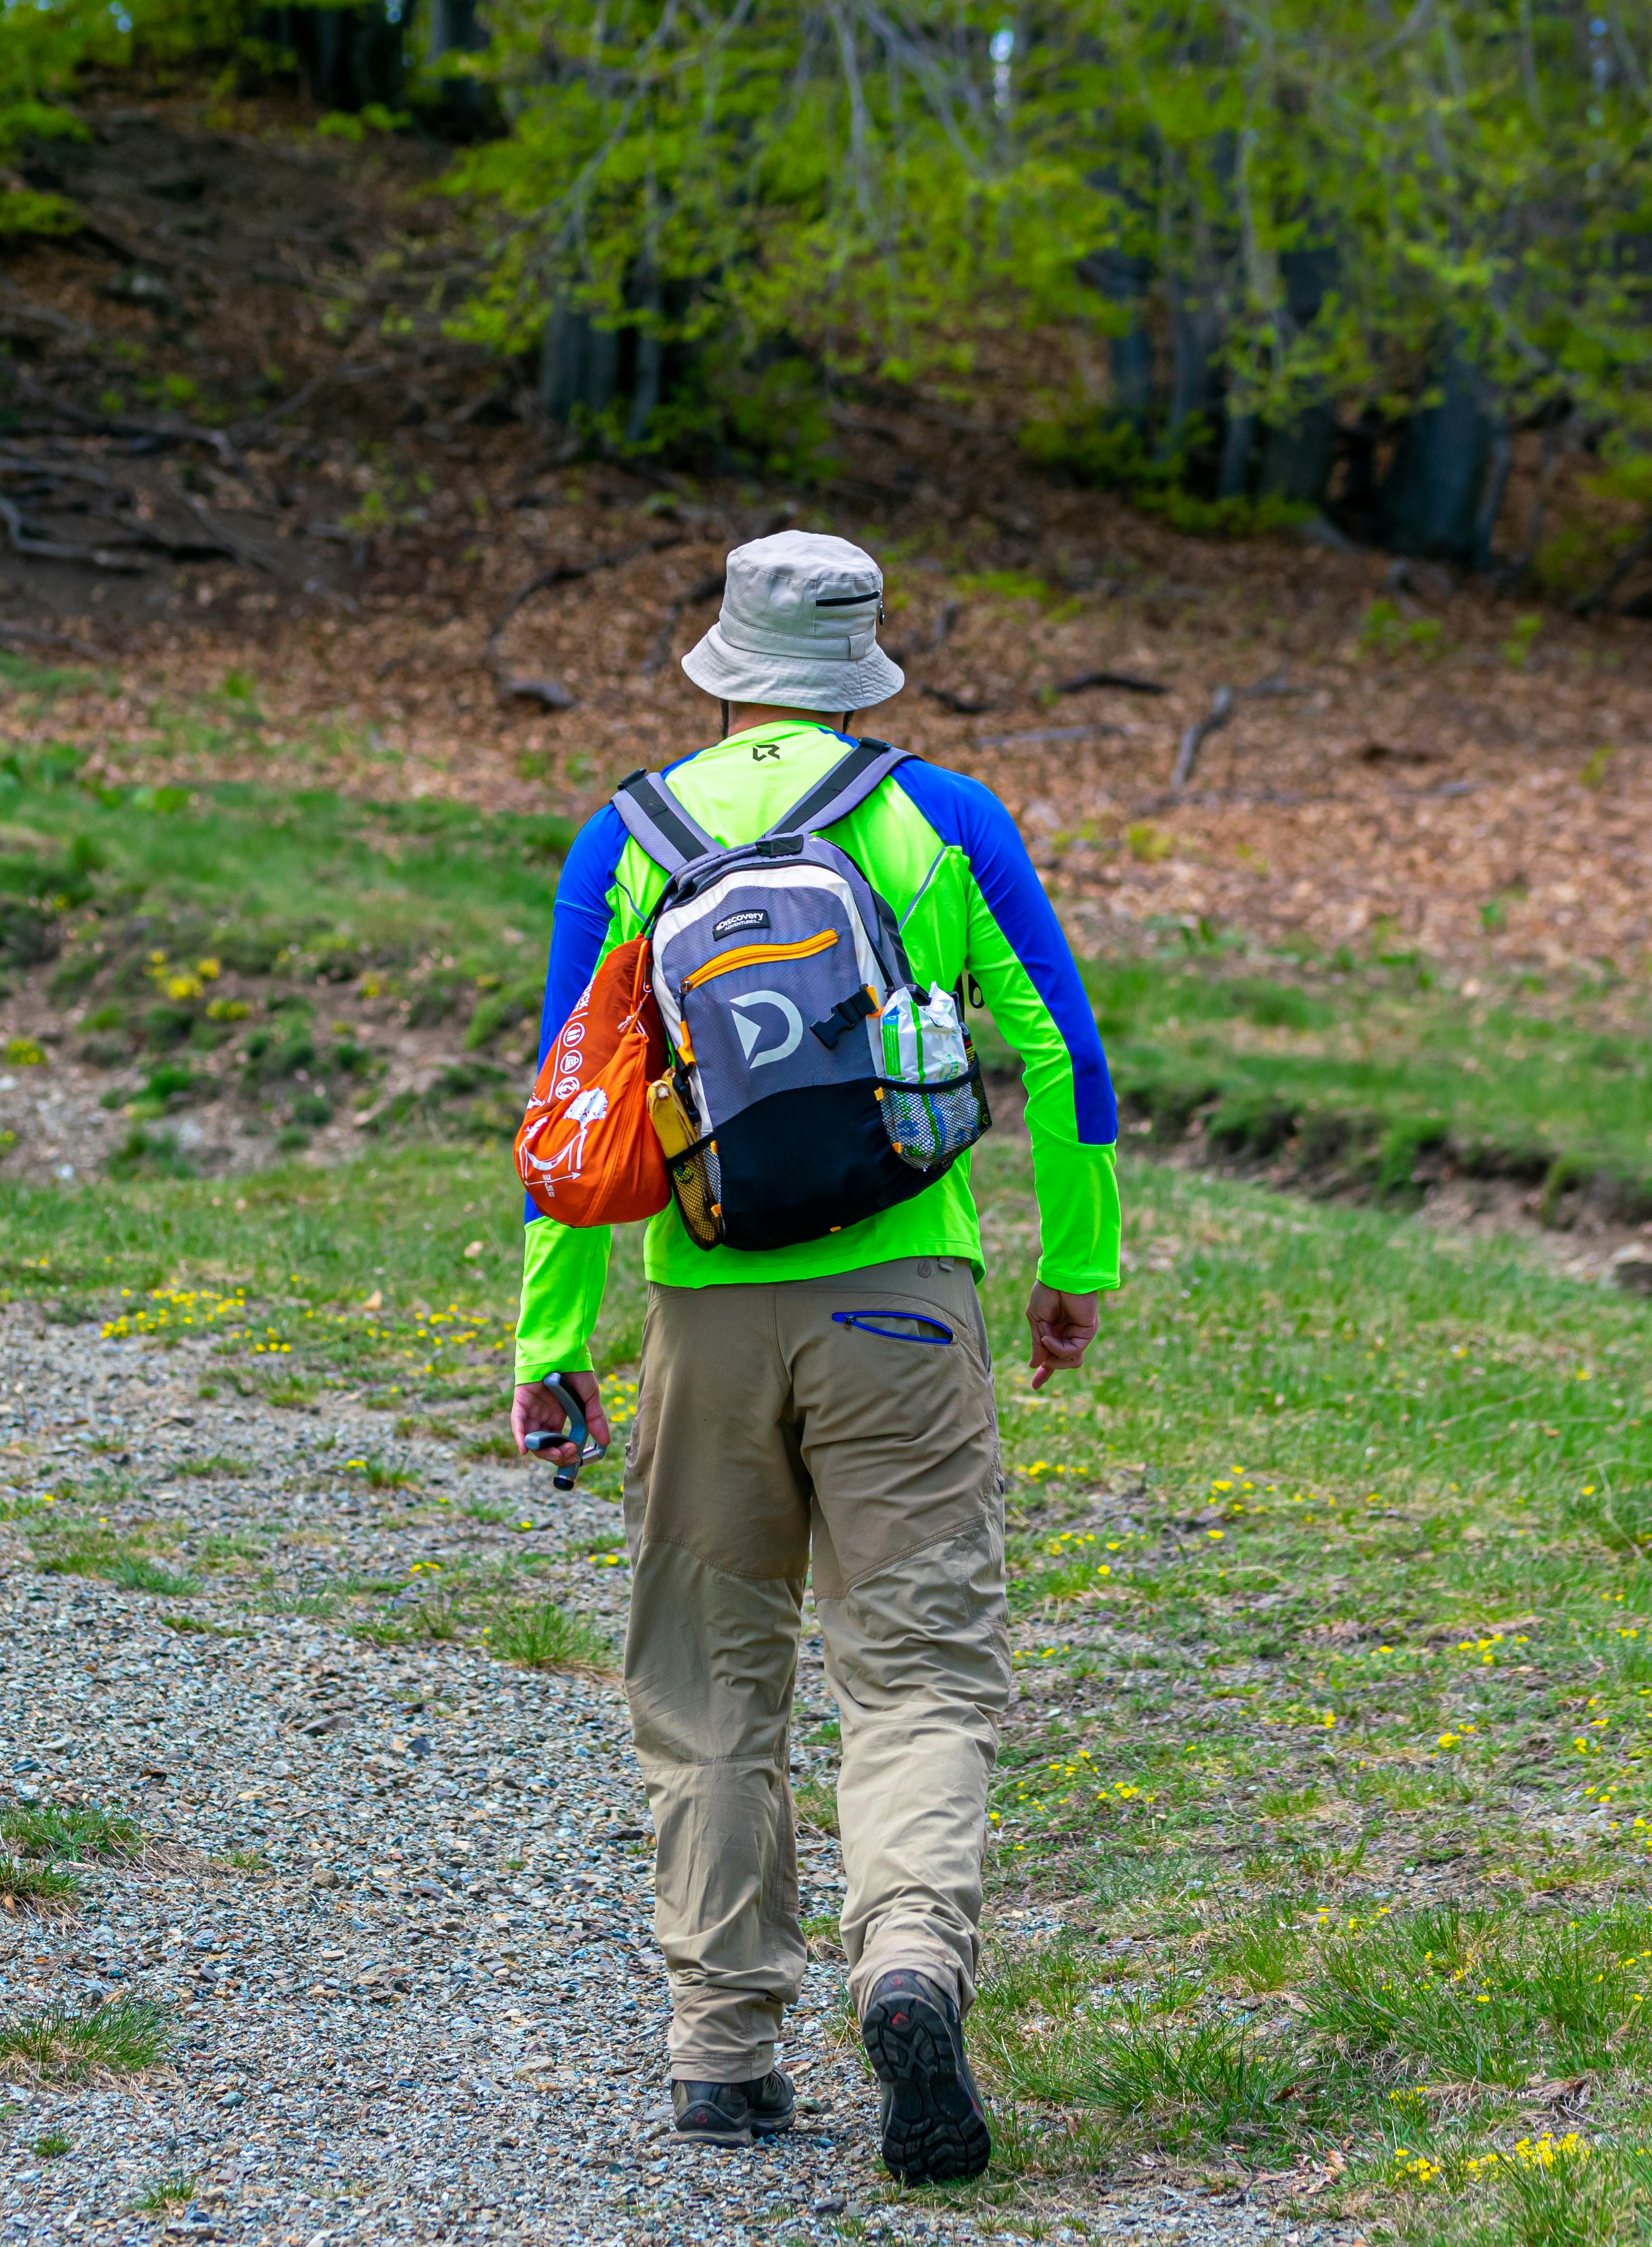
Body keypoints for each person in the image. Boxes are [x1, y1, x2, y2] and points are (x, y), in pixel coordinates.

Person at [508, 529, 1118, 2185]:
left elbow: (577, 1119)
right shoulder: (942, 816)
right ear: (862, 667)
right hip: (906, 1306)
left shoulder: (624, 841)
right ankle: (909, 1960)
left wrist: (552, 1342)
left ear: (722, 664)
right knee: (916, 1668)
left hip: (702, 1317)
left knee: (713, 1682)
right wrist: (1078, 1264)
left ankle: (723, 2059)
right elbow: (1063, 1049)